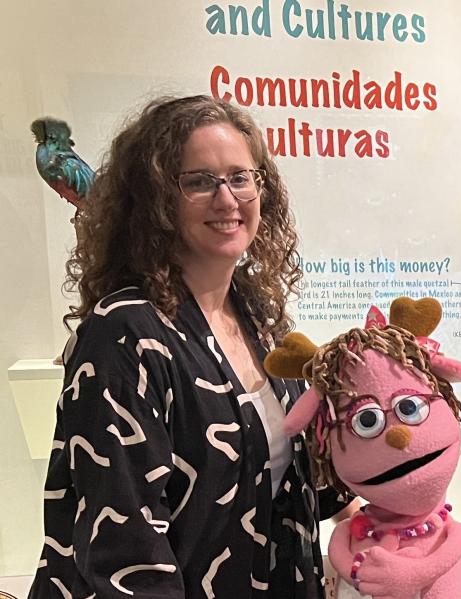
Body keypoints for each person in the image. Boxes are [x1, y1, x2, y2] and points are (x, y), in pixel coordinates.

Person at [30, 95, 349, 598]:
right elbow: (127, 552)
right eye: (199, 181)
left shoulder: (259, 319)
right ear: (156, 198)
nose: (227, 199)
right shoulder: (124, 334)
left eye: (240, 177)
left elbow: (287, 485)